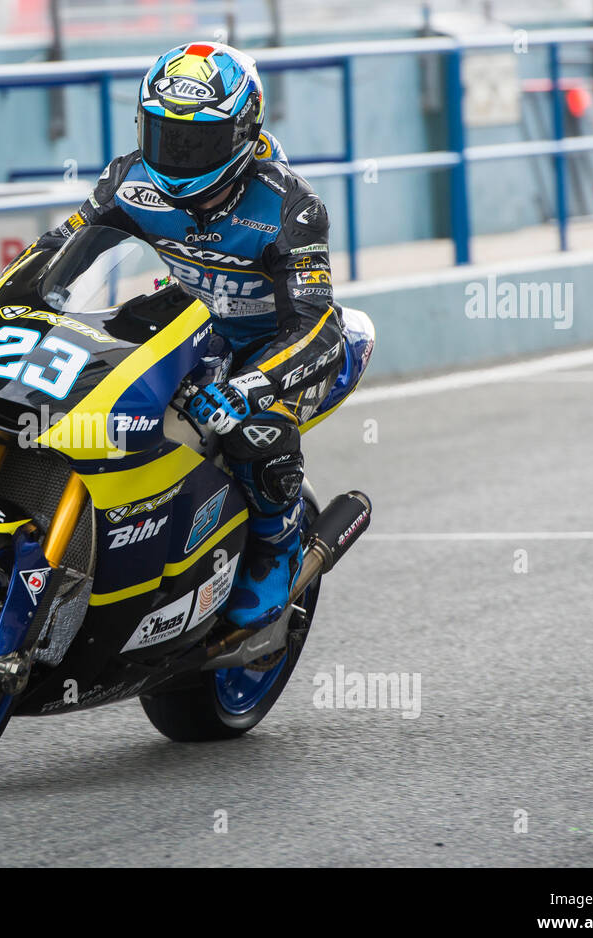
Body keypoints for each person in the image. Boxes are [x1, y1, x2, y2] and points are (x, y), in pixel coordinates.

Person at [32, 41, 345, 631]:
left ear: (243, 135)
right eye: (163, 134)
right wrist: (4, 301)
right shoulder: (128, 179)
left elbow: (317, 327)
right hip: (191, 329)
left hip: (274, 347)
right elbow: (58, 249)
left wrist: (252, 385)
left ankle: (277, 549)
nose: (175, 154)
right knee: (97, 386)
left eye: (195, 141)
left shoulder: (291, 208)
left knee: (251, 427)